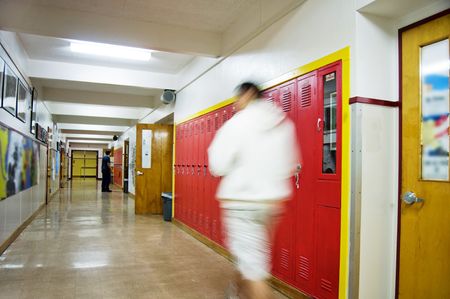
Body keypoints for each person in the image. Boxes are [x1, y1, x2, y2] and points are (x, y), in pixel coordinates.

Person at [208, 82, 299, 299]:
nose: (235, 105)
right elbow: (290, 165)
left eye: (236, 99)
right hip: (270, 204)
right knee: (250, 257)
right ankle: (237, 292)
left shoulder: (237, 124)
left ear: (248, 94)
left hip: (242, 203)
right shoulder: (283, 124)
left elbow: (217, 165)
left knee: (253, 267)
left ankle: (246, 291)